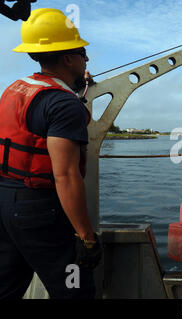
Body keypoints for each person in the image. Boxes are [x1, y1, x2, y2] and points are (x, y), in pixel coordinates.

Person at [0, 8, 101, 299]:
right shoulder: (63, 105)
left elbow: (38, 121)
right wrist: (87, 237)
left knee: (7, 287)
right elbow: (66, 175)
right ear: (68, 58)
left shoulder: (14, 90)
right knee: (74, 289)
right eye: (82, 53)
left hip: (5, 203)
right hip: (38, 210)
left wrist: (77, 91)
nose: (87, 58)